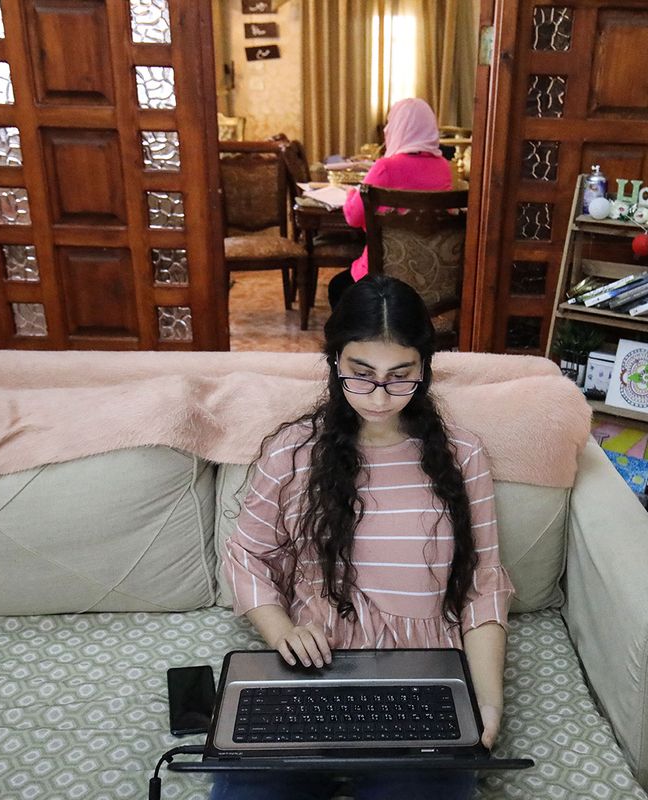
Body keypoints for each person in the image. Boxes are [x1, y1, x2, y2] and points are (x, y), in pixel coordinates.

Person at [215, 275, 513, 800]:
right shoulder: (292, 451)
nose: (379, 395)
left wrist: (487, 702)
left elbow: (483, 586)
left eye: (400, 376)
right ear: (335, 363)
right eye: (361, 374)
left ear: (424, 369)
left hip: (423, 677)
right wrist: (280, 628)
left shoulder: (463, 456)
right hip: (316, 671)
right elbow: (245, 555)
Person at [328, 98, 454, 308]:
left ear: (401, 127)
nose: (386, 128)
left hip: (385, 278)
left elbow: (354, 216)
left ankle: (367, 337)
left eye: (390, 122)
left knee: (337, 287)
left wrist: (352, 193)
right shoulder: (443, 167)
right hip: (430, 275)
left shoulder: (385, 168)